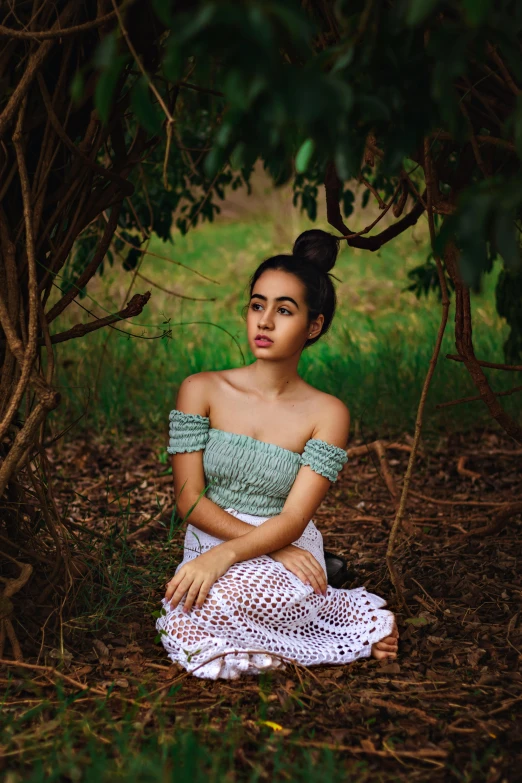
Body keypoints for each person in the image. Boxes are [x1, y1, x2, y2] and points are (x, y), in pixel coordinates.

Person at [156, 229, 399, 680]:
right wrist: (232, 552)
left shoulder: (328, 412)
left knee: (223, 596)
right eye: (257, 305)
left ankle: (350, 612)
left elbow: (293, 518)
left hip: (286, 539)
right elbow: (189, 501)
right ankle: (338, 613)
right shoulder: (201, 389)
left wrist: (246, 554)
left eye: (283, 310)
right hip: (213, 535)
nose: (264, 322)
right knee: (190, 606)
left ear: (314, 325)